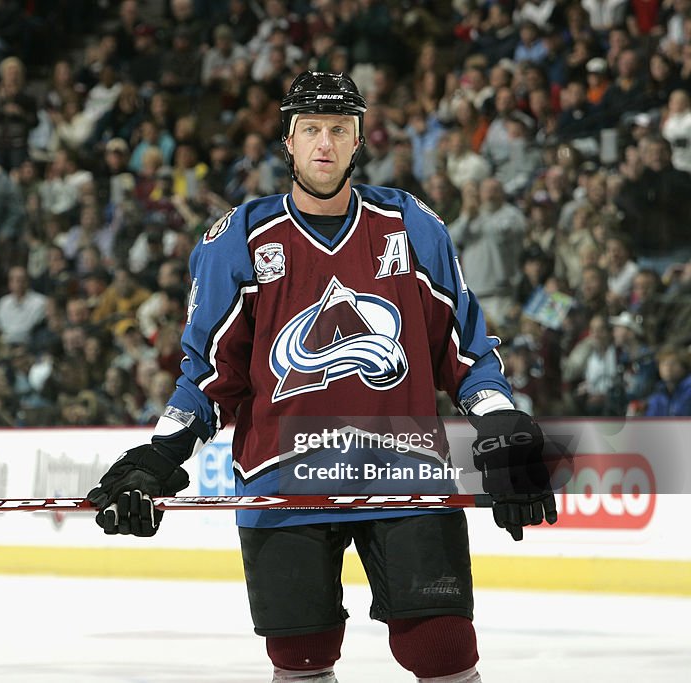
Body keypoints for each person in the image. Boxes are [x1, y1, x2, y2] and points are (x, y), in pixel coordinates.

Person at [87, 71, 558, 683]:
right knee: (302, 656)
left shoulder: (412, 225)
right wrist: (164, 450)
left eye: (340, 129)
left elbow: (462, 348)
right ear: (288, 140)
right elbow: (209, 371)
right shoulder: (240, 237)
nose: (325, 144)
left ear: (360, 139)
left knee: (440, 647)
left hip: (403, 468)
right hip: (285, 479)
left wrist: (499, 419)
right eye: (311, 129)